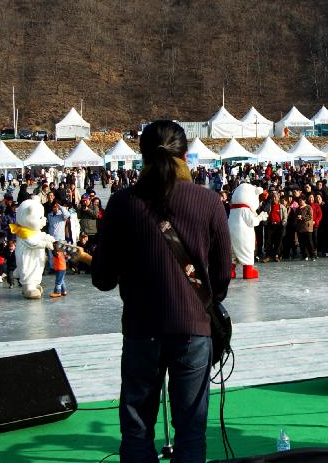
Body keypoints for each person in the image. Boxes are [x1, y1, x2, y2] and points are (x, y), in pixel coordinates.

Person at [92, 120, 232, 463]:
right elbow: (221, 278)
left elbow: (103, 278)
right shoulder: (209, 201)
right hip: (193, 328)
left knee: (137, 432)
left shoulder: (123, 203)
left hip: (142, 328)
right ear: (186, 155)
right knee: (191, 433)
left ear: (141, 157)